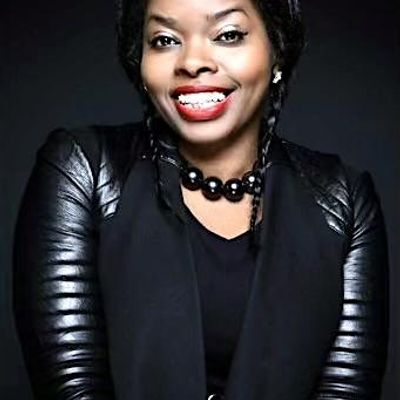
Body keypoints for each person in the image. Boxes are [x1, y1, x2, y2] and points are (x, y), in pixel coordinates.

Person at [13, 0, 389, 399]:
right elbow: (71, 386)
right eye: (164, 39)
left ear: (277, 51)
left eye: (228, 35)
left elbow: (346, 389)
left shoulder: (343, 199)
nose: (192, 62)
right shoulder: (84, 169)